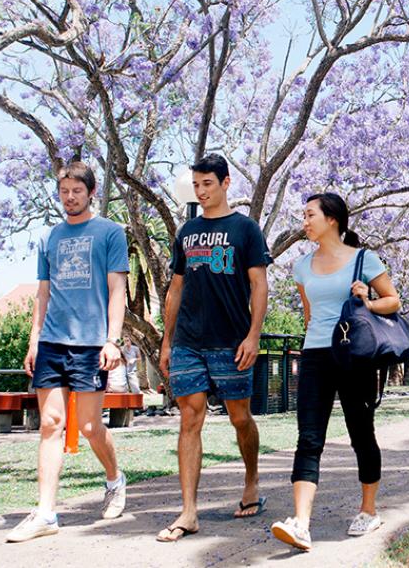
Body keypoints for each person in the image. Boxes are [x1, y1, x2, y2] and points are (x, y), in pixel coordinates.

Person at [6, 161, 131, 544]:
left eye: (77, 191)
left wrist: (112, 339)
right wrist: (34, 339)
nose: (70, 197)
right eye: (64, 192)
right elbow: (42, 295)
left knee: (90, 427)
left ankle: (114, 479)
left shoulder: (110, 233)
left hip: (92, 343)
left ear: (91, 192)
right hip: (52, 342)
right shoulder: (49, 238)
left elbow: (116, 290)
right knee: (50, 424)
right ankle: (46, 512)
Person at [271, 193, 402, 552]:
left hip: (353, 355)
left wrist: (367, 299)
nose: (304, 221)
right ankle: (300, 523)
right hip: (315, 354)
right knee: (309, 437)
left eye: (310, 214)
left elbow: (393, 301)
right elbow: (310, 315)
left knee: (361, 433)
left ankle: (369, 510)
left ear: (332, 219)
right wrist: (308, 350)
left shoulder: (364, 259)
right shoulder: (302, 266)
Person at [157, 153, 272, 542]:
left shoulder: (246, 229)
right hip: (189, 341)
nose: (201, 191)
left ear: (225, 184)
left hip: (232, 340)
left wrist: (253, 334)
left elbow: (259, 284)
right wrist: (167, 339)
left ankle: (252, 480)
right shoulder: (186, 232)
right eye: (197, 185)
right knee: (190, 418)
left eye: (208, 184)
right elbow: (176, 288)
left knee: (241, 417)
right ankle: (188, 511)